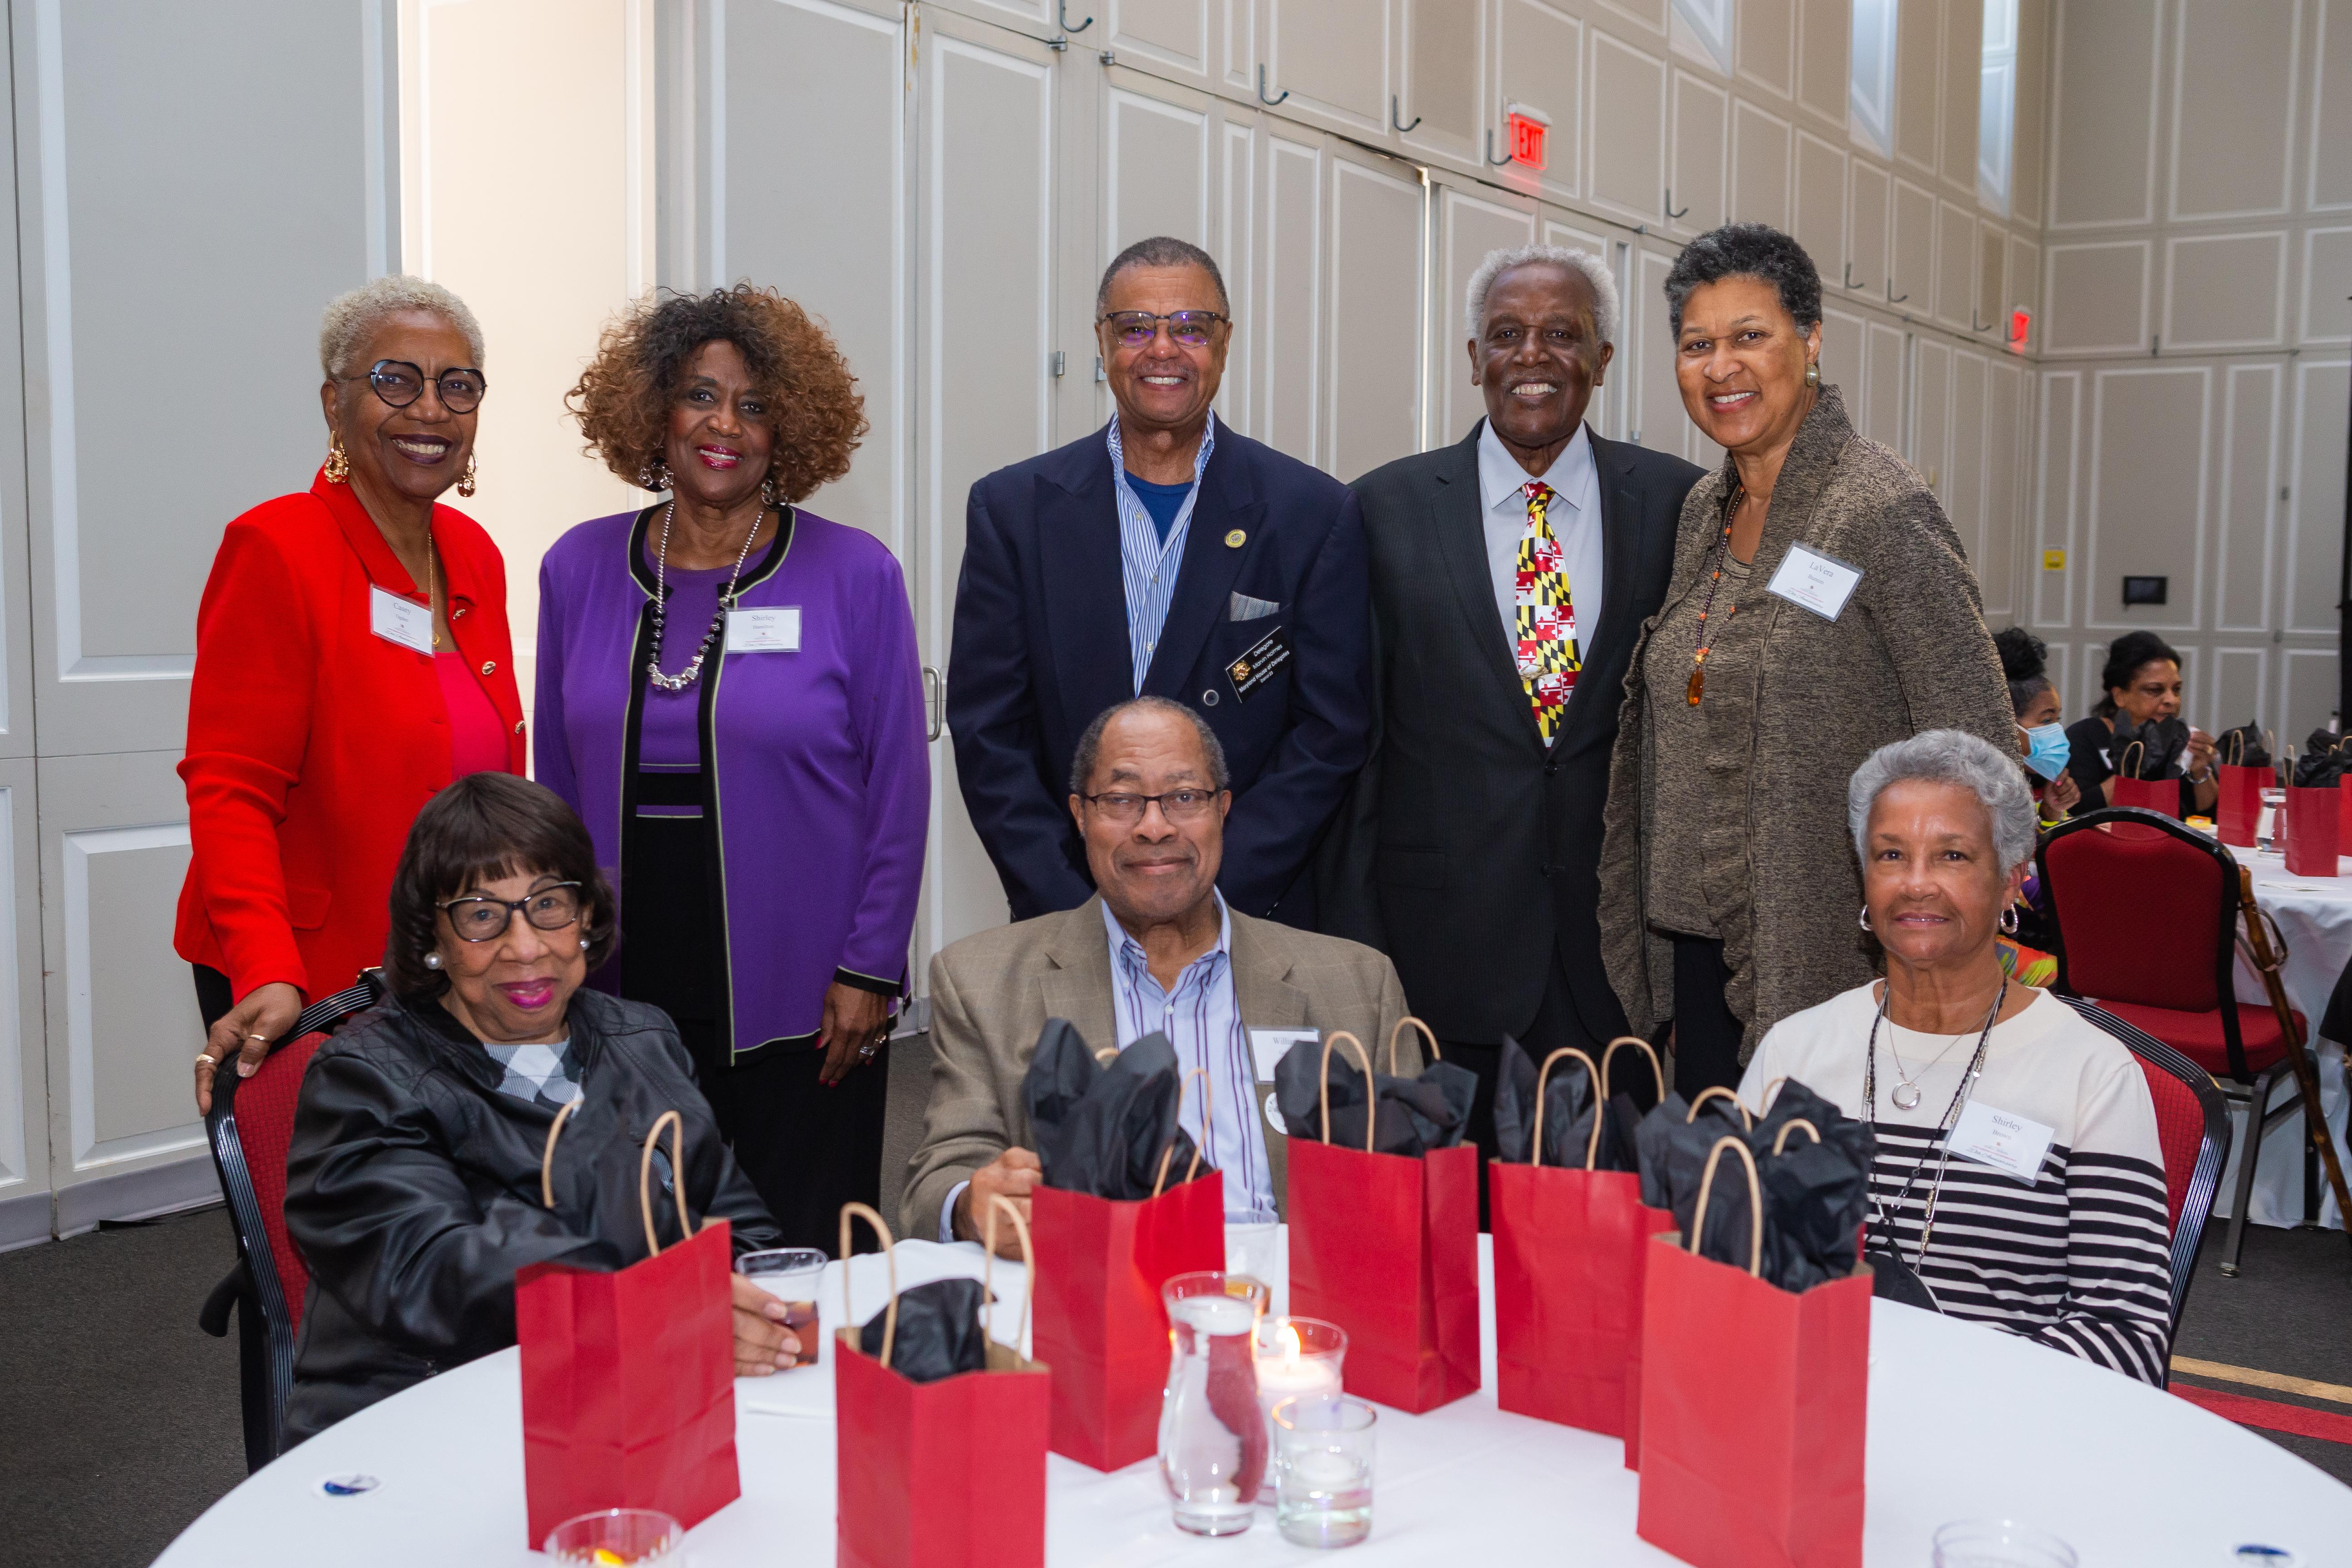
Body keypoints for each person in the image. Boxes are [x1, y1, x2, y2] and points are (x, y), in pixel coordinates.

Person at [540, 285, 926, 1254]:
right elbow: (552, 783)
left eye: (753, 406)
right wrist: (552, 952)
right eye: (700, 396)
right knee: (648, 1241)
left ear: (789, 427)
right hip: (628, 968)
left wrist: (870, 966)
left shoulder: (856, 574)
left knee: (809, 1240)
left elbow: (898, 793)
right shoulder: (576, 569)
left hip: (807, 980)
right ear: (653, 411)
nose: (724, 426)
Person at [1327, 245, 1702, 1214]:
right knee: (1442, 1242)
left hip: (1615, 958)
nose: (1532, 355)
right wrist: (1359, 950)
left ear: (1604, 358)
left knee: (1600, 1246)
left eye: (1561, 334)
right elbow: (1356, 747)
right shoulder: (1381, 511)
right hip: (1438, 951)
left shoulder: (1678, 506)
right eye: (1507, 334)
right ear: (1473, 354)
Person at [1597, 223, 2013, 1095]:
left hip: (1837, 955)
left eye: (1749, 337)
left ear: (1811, 340)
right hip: (1706, 956)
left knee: (1812, 1221)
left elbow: (1976, 742)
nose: (1721, 369)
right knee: (1721, 1213)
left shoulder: (1876, 508)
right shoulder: (1703, 508)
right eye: (1696, 345)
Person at [282, 774, 794, 1443]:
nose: (525, 948)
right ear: (431, 935)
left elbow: (743, 1232)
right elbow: (434, 1272)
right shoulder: (364, 1078)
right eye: (481, 915)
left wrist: (745, 1311)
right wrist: (658, 1308)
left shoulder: (642, 1039)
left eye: (548, 904)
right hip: (428, 1423)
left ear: (586, 918)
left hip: (639, 1400)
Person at [949, 236, 1370, 931]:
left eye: (1190, 328)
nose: (1163, 349)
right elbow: (989, 731)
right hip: (1069, 913)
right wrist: (1073, 905)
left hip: (1247, 913)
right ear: (1102, 342)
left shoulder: (1312, 514)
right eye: (1136, 327)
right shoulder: (1014, 510)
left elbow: (1329, 734)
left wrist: (1208, 893)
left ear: (1224, 343)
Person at [182, 277, 524, 1116]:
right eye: (394, 380)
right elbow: (230, 787)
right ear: (335, 405)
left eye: (457, 385)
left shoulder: (473, 552)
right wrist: (266, 966)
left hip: (449, 965)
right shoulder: (276, 547)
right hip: (310, 972)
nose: (430, 410)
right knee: (330, 1231)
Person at [1739, 731, 2173, 1385]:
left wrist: (1940, 1377)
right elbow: (1724, 1262)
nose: (1917, 884)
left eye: (1952, 856)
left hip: (2000, 1431)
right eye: (1891, 854)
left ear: (2011, 879)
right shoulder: (1795, 1051)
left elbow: (2130, 1338)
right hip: (1804, 1410)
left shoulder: (2092, 1073)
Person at [902, 697, 1410, 1255]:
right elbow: (936, 1182)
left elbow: (1413, 1188)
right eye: (1121, 800)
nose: (1154, 827)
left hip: (1296, 1304)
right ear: (1080, 815)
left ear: (1224, 809)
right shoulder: (980, 981)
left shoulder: (1358, 984)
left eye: (1184, 797)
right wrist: (972, 1204)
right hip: (1098, 1297)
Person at [2062, 630, 2218, 817]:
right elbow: (2078, 810)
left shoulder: (2181, 740)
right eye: (2154, 690)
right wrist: (2135, 767)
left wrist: (2200, 770)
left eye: (2176, 690)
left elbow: (2206, 815)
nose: (2172, 700)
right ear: (2120, 696)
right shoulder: (2086, 735)